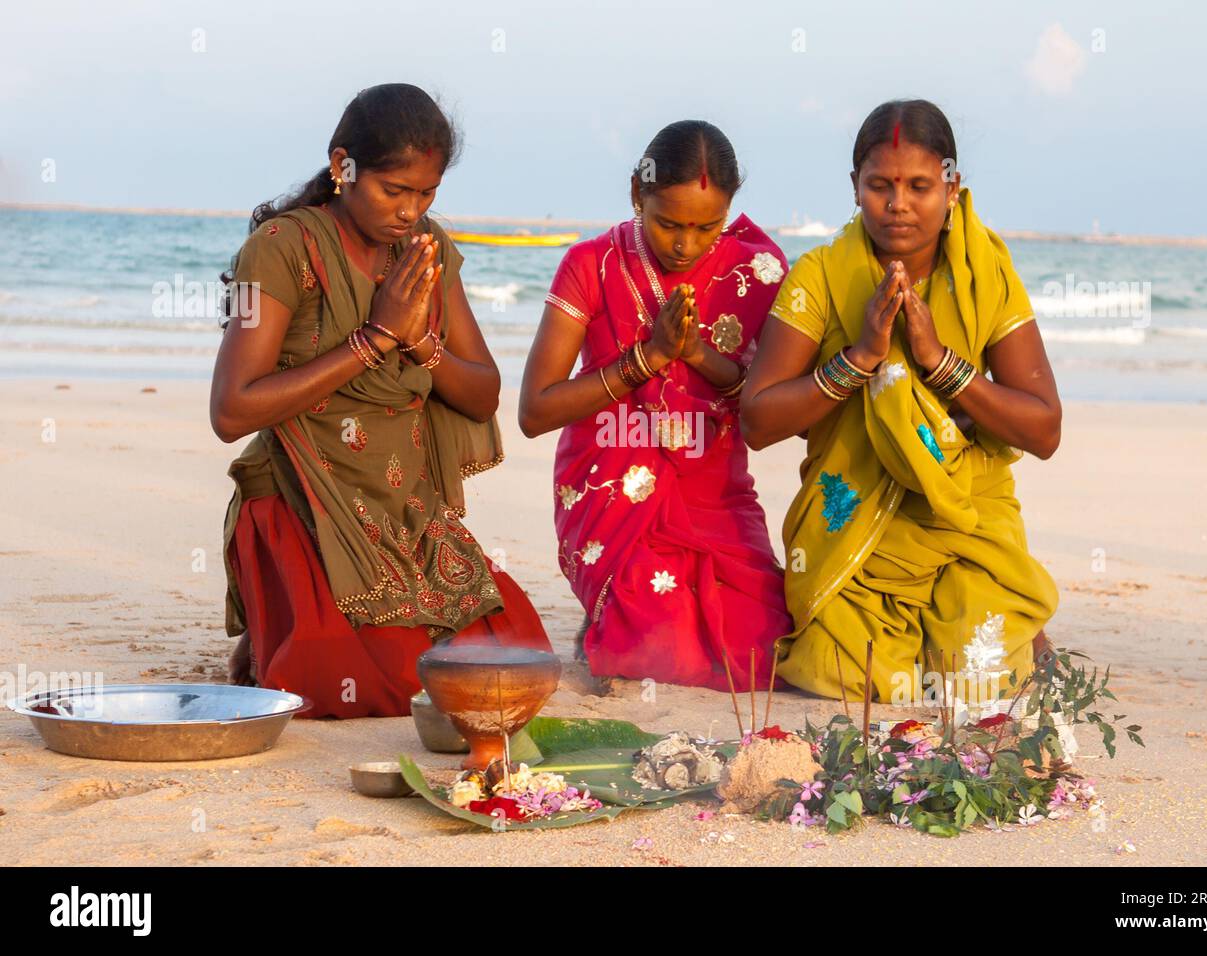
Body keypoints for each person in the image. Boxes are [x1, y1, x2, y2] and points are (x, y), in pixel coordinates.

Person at [212, 83, 549, 719]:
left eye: (426, 194)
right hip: (304, 496)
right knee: (382, 684)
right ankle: (276, 627)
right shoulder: (283, 247)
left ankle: (283, 630)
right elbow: (231, 411)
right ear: (343, 167)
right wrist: (373, 341)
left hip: (405, 505)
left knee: (510, 659)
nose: (409, 210)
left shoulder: (427, 249)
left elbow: (482, 394)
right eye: (394, 191)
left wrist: (421, 342)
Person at [741, 99, 1060, 708]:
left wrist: (941, 363)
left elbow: (1044, 429)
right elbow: (757, 421)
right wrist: (859, 359)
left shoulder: (985, 271)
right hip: (854, 516)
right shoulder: (821, 275)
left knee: (975, 674)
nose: (899, 204)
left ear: (952, 186)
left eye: (919, 186)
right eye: (880, 185)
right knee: (843, 676)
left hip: (964, 515)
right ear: (854, 187)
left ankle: (1017, 625)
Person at [518, 120, 792, 692]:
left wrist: (695, 353)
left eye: (707, 226)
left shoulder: (757, 272)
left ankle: (611, 622)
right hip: (613, 491)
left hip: (713, 490)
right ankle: (610, 614)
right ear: (636, 194)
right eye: (668, 223)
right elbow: (536, 410)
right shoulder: (591, 264)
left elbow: (761, 405)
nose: (686, 244)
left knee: (764, 652)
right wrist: (648, 359)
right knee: (656, 652)